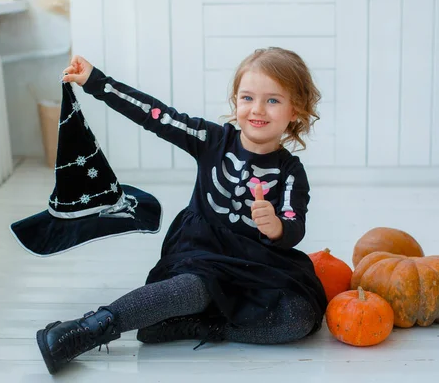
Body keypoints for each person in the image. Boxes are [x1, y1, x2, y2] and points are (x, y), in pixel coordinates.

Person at [36, 47, 328, 375]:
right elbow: (155, 114)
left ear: (296, 111)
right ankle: (85, 330)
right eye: (247, 98)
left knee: (301, 318)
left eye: (273, 100)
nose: (257, 109)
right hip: (204, 254)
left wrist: (275, 226)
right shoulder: (211, 139)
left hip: (259, 264)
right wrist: (96, 82)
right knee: (192, 289)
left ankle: (196, 326)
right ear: (236, 102)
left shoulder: (290, 171)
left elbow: (293, 221)